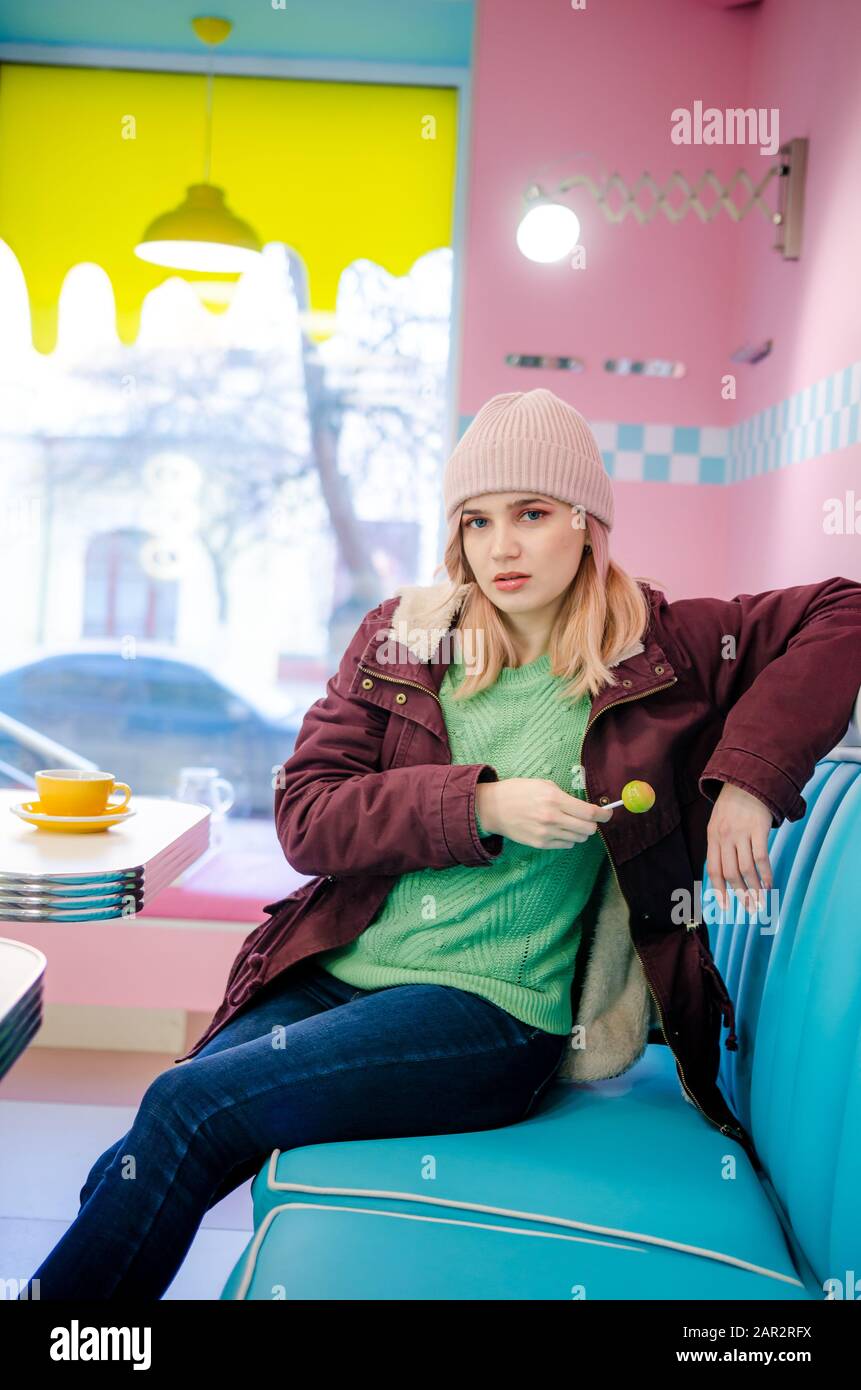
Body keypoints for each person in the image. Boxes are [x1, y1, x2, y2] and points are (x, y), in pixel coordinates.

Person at [21, 389, 861, 1300]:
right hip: (338, 974)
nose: (499, 547)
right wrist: (481, 808)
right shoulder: (402, 638)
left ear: (586, 524)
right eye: (476, 521)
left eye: (531, 515)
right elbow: (306, 814)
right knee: (161, 1120)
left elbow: (842, 611)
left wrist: (747, 780)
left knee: (189, 1108)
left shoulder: (665, 648)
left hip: (489, 1014)